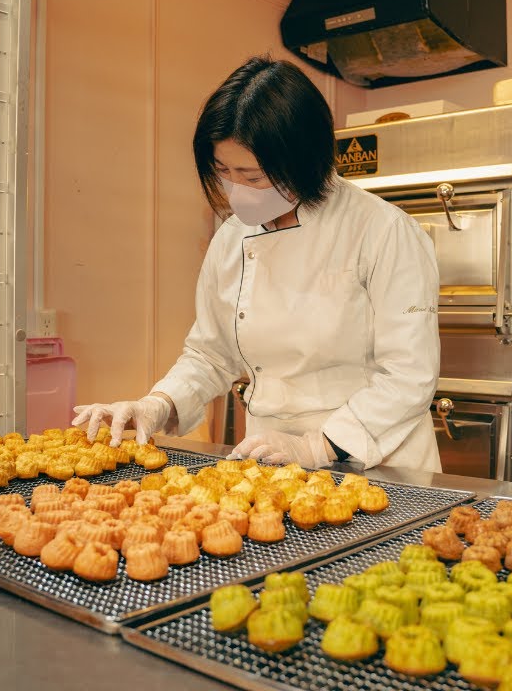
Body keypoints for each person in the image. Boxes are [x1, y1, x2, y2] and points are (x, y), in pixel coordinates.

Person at [71, 56, 442, 472]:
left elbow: (408, 376)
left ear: (303, 161)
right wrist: (157, 404)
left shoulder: (383, 231)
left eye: (253, 176)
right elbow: (211, 355)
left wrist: (317, 447)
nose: (237, 191)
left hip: (379, 461)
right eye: (223, 171)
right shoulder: (232, 239)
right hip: (267, 458)